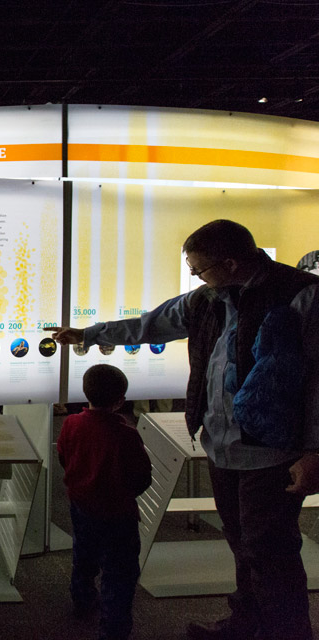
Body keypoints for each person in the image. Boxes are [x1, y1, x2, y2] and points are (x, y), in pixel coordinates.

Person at [47, 219, 319, 640]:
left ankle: (287, 631)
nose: (196, 278)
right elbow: (151, 323)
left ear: (229, 263)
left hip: (272, 452)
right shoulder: (207, 299)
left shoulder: (301, 294)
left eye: (199, 269)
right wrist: (88, 334)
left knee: (271, 552)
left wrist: (314, 451)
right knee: (242, 544)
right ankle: (247, 623)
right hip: (222, 447)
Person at [58, 364, 152, 640]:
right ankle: (113, 628)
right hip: (117, 513)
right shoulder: (126, 434)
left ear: (85, 392)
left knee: (83, 555)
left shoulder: (71, 423)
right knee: (119, 572)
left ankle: (82, 599)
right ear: (120, 400)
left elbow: (64, 457)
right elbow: (141, 476)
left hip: (81, 505)